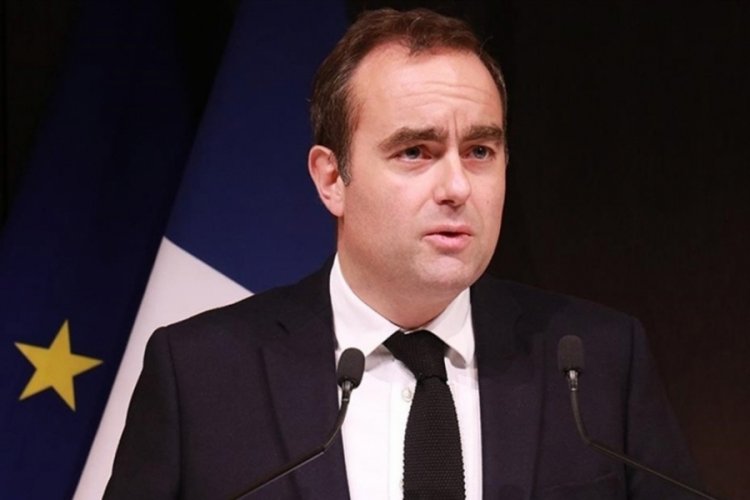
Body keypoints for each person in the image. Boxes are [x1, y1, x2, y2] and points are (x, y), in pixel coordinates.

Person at [105, 8, 698, 499]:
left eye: (480, 151)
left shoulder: (599, 361)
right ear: (331, 178)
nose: (457, 187)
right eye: (415, 151)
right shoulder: (201, 375)